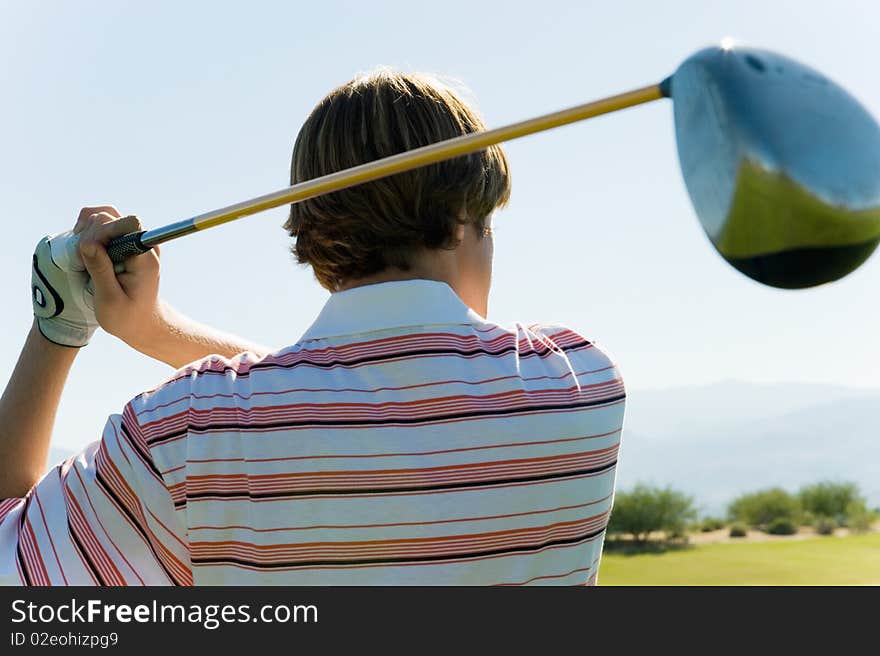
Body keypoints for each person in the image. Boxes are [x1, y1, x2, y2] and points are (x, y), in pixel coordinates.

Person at [0, 70, 625, 585]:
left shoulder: (187, 429)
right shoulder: (581, 382)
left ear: (313, 232)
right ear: (466, 219)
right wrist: (160, 330)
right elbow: (365, 403)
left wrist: (58, 326)